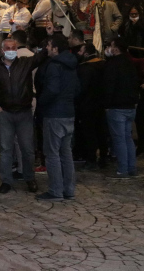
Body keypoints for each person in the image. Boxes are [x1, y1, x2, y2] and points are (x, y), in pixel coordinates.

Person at [0, 38, 40, 194]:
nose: (11, 50)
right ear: (2, 50)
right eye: (8, 48)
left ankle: (30, 178)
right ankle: (6, 181)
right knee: (5, 149)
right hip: (4, 113)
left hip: (23, 112)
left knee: (27, 148)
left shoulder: (24, 63)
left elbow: (41, 57)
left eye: (13, 48)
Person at [36, 35, 80, 202]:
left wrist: (41, 102)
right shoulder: (71, 64)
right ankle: (69, 189)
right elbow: (77, 88)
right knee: (66, 153)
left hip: (54, 114)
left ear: (55, 48)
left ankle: (55, 191)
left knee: (52, 153)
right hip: (68, 112)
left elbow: (52, 90)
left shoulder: (54, 66)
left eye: (48, 45)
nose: (47, 48)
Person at [103, 38, 140, 179]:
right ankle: (132, 167)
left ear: (116, 48)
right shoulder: (130, 63)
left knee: (119, 139)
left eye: (111, 46)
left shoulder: (113, 64)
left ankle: (122, 169)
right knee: (128, 138)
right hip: (130, 106)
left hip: (116, 107)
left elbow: (109, 86)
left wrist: (106, 104)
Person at [75, 42, 108, 170]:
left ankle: (91, 159)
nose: (79, 53)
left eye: (81, 51)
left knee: (90, 133)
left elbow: (81, 89)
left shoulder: (85, 68)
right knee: (101, 132)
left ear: (86, 53)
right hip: (101, 104)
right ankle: (103, 157)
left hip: (87, 105)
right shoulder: (104, 65)